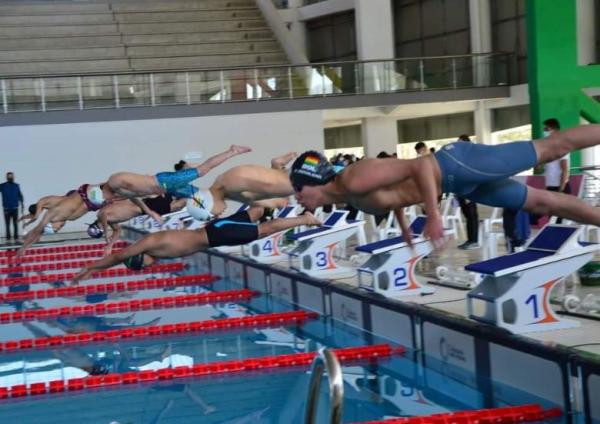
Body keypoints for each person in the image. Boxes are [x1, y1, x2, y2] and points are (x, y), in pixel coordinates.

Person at [290, 124, 600, 248]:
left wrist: (434, 215)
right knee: (543, 204)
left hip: (456, 164)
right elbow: (394, 198)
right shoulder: (354, 199)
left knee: (552, 148)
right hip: (460, 185)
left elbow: (422, 164)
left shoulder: (354, 179)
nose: (298, 199)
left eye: (298, 191)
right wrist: (405, 230)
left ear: (313, 183)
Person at [72, 208, 320, 282]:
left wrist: (92, 268)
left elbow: (118, 256)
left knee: (265, 228)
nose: (148, 267)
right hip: (214, 231)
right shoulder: (155, 248)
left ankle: (304, 219)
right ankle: (276, 170)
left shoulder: (149, 243)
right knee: (256, 212)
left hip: (216, 236)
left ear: (140, 258)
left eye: (143, 267)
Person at [85, 145, 252, 224]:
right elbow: (137, 196)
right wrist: (152, 214)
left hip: (164, 181)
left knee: (202, 170)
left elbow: (139, 182)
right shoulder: (118, 191)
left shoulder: (115, 181)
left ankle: (232, 151)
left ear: (103, 193)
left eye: (105, 199)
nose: (108, 201)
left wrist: (149, 189)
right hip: (168, 188)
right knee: (205, 196)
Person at [185, 152, 298, 221]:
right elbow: (254, 200)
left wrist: (279, 200)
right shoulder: (224, 190)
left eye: (211, 214)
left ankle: (277, 167)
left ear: (209, 204)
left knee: (291, 189)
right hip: (277, 179)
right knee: (279, 198)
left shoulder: (230, 184)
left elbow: (269, 187)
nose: (217, 215)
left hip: (293, 175)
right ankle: (277, 166)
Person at [93, 194, 188, 253]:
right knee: (176, 204)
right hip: (145, 207)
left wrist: (106, 237)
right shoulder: (111, 221)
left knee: (177, 205)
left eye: (100, 227)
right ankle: (190, 195)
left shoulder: (101, 214)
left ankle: (194, 195)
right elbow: (117, 231)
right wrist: (110, 245)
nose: (103, 227)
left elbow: (103, 218)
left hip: (145, 206)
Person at [541, 118, 570, 224]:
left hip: (560, 187)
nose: (544, 131)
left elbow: (565, 170)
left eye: (546, 129)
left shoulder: (562, 147)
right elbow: (540, 169)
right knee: (552, 219)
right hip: (550, 186)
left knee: (559, 220)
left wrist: (561, 190)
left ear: (554, 130)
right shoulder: (547, 149)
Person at [454, 135, 480, 250]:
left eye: (459, 142)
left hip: (469, 189)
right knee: (467, 216)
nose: (457, 144)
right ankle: (470, 240)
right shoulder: (460, 157)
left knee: (472, 215)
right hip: (461, 189)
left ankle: (474, 241)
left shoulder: (471, 157)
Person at [0, 172, 24, 242]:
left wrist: (22, 205)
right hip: (6, 209)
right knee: (7, 224)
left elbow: (20, 196)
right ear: (7, 177)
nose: (10, 177)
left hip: (15, 209)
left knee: (15, 224)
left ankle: (16, 237)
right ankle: (8, 238)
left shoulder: (16, 186)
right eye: (9, 176)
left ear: (13, 177)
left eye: (11, 176)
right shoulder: (2, 186)